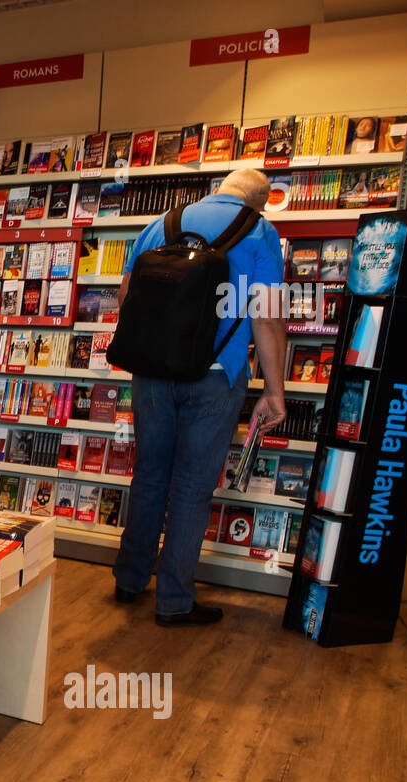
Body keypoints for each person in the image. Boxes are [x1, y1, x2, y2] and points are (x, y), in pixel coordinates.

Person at [112, 168, 287, 626]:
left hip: (150, 373)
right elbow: (268, 318)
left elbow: (127, 299)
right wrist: (274, 390)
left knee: (149, 476)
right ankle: (173, 602)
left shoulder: (161, 223)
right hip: (215, 376)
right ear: (258, 203)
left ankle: (129, 580)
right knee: (191, 490)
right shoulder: (260, 232)